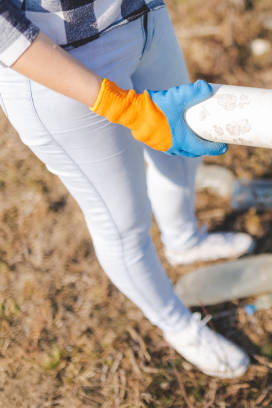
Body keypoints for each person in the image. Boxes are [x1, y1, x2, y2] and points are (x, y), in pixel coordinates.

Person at [0, 0, 254, 378]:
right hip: (62, 62)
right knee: (124, 221)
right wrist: (119, 105)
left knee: (183, 156)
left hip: (147, 18)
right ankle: (179, 327)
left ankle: (183, 241)